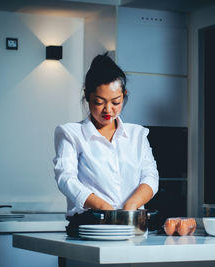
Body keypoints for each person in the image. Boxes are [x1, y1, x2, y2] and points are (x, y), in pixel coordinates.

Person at [53, 53, 159, 219]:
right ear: (87, 96)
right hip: (90, 225)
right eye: (99, 102)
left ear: (124, 95)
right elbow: (66, 179)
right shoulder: (71, 133)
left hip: (132, 225)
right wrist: (103, 208)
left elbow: (150, 177)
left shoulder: (137, 134)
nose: (108, 110)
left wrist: (131, 206)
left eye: (115, 102)